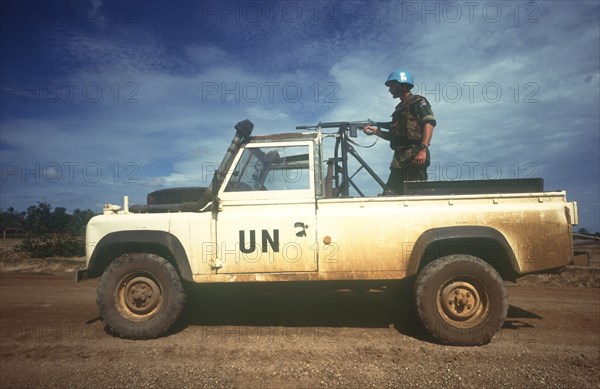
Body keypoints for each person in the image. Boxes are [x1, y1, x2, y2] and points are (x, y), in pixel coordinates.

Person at [364, 68, 436, 195]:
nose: (389, 89)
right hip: (399, 159)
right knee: (391, 195)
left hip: (415, 155)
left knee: (415, 194)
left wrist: (423, 150)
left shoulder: (417, 101)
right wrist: (375, 131)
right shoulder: (400, 109)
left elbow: (428, 123)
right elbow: (394, 136)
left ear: (401, 86)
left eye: (392, 86)